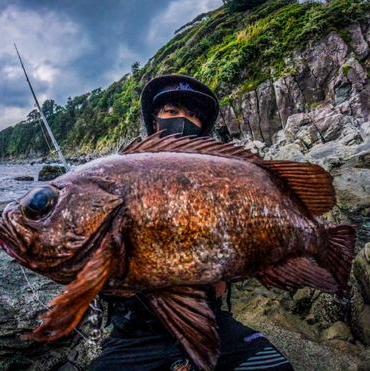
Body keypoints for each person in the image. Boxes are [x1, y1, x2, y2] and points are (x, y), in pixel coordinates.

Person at [89, 75, 294, 371]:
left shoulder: (222, 182)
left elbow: (243, 250)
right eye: (171, 111)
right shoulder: (118, 177)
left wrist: (232, 268)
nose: (183, 121)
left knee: (276, 368)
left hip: (210, 324)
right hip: (136, 336)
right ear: (154, 120)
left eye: (193, 115)